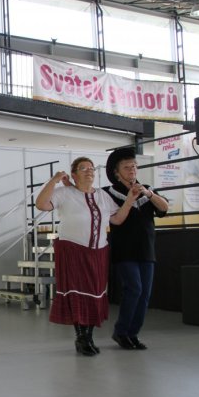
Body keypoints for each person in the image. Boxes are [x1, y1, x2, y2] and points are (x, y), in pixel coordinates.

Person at [35, 157, 140, 356]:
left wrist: (129, 200)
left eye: (91, 169)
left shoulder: (101, 195)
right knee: (77, 294)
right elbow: (41, 204)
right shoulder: (64, 193)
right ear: (73, 175)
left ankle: (88, 336)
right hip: (73, 249)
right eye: (83, 168)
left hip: (98, 251)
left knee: (94, 294)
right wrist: (54, 180)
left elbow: (117, 219)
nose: (89, 171)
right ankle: (82, 337)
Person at [103, 148, 168, 350]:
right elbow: (116, 220)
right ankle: (121, 332)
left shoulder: (146, 189)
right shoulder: (108, 193)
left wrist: (148, 193)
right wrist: (131, 198)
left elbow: (164, 208)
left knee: (145, 294)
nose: (132, 169)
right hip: (124, 250)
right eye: (126, 167)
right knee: (134, 289)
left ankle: (133, 333)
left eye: (134, 166)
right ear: (116, 171)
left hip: (146, 249)